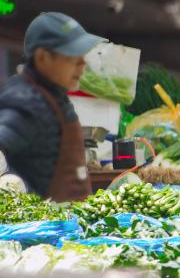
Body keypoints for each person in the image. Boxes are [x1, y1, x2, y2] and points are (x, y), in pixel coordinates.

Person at [0, 12, 106, 201]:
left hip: (67, 223)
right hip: (41, 228)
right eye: (73, 56)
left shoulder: (53, 95)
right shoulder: (25, 100)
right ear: (42, 57)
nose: (82, 64)